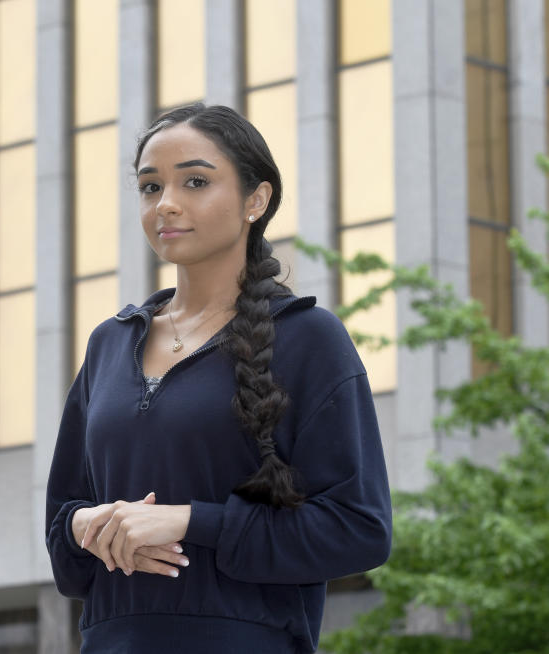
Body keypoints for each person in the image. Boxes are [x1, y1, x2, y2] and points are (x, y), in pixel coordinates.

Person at [44, 103, 393, 653]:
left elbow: (360, 530)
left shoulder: (308, 339)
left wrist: (189, 523)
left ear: (257, 199)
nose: (167, 204)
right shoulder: (108, 345)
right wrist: (88, 525)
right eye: (150, 187)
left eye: (196, 181)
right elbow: (63, 535)